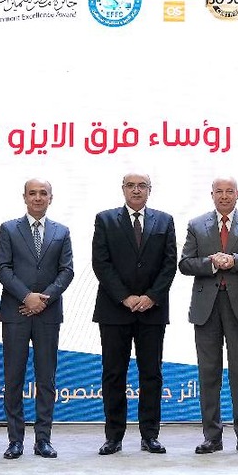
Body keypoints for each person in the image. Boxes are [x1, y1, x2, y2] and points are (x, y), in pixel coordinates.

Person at [179, 177, 238, 454]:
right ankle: (212, 436)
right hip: (206, 308)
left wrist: (235, 261)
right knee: (208, 373)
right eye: (219, 191)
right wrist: (212, 263)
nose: (224, 196)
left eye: (230, 191)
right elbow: (185, 264)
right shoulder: (196, 225)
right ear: (212, 194)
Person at [90, 172, 177, 455]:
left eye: (142, 186)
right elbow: (101, 263)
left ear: (150, 190)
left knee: (151, 374)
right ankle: (113, 436)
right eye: (131, 186)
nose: (136, 190)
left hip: (152, 310)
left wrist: (151, 296)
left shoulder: (164, 220)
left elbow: (169, 264)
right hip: (115, 310)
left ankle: (150, 435)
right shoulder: (105, 219)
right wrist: (125, 297)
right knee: (114, 374)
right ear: (123, 189)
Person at [0, 178, 72, 459]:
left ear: (51, 197)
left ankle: (43, 440)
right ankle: (15, 440)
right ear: (24, 197)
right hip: (16, 312)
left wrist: (44, 299)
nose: (38, 198)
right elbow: (3, 268)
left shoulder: (61, 231)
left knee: (46, 378)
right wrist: (27, 297)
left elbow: (67, 271)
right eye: (32, 193)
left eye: (43, 193)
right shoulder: (8, 229)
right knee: (13, 377)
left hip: (47, 314)